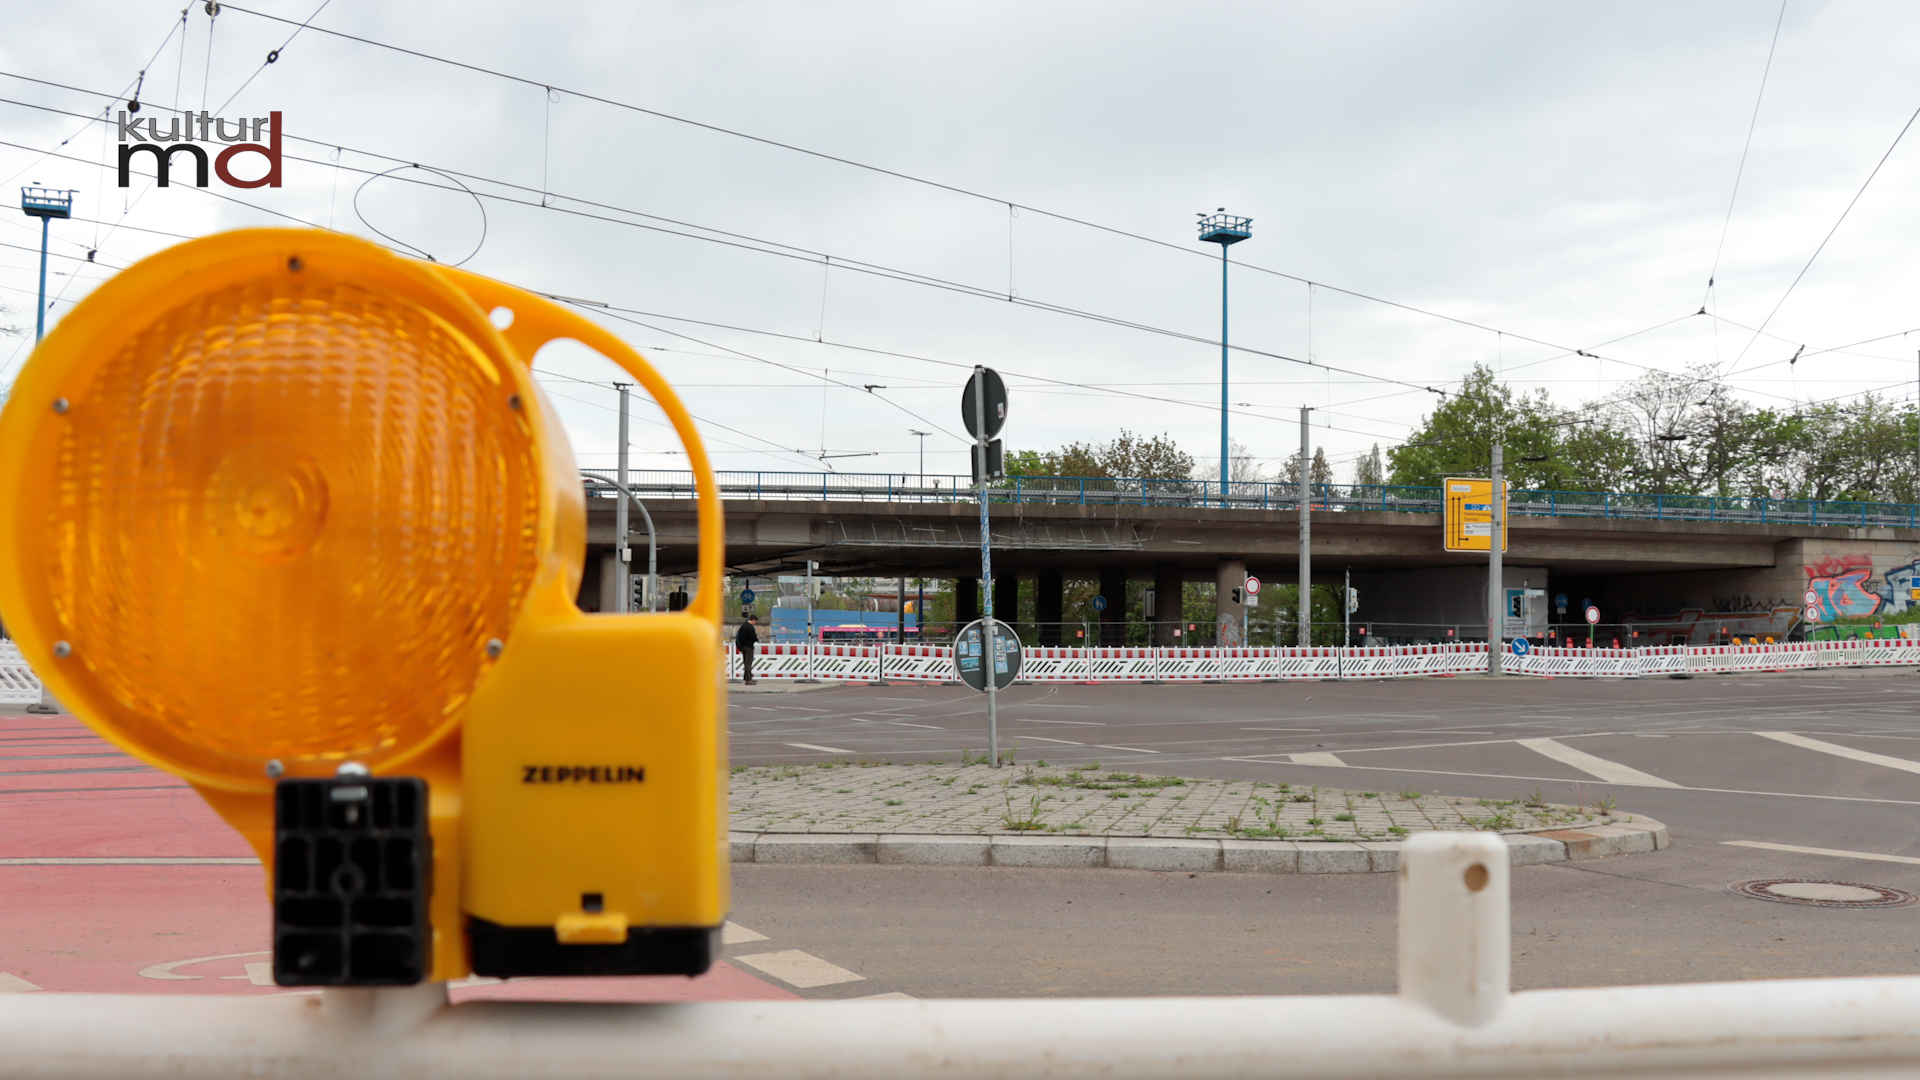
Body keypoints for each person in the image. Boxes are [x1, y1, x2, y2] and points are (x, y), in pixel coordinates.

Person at [735, 615, 760, 685]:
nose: (755, 623)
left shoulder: (743, 626)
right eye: (755, 621)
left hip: (743, 647)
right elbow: (753, 637)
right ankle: (748, 679)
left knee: (746, 662)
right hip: (748, 647)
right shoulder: (750, 628)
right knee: (748, 663)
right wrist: (756, 639)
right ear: (753, 620)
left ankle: (747, 678)